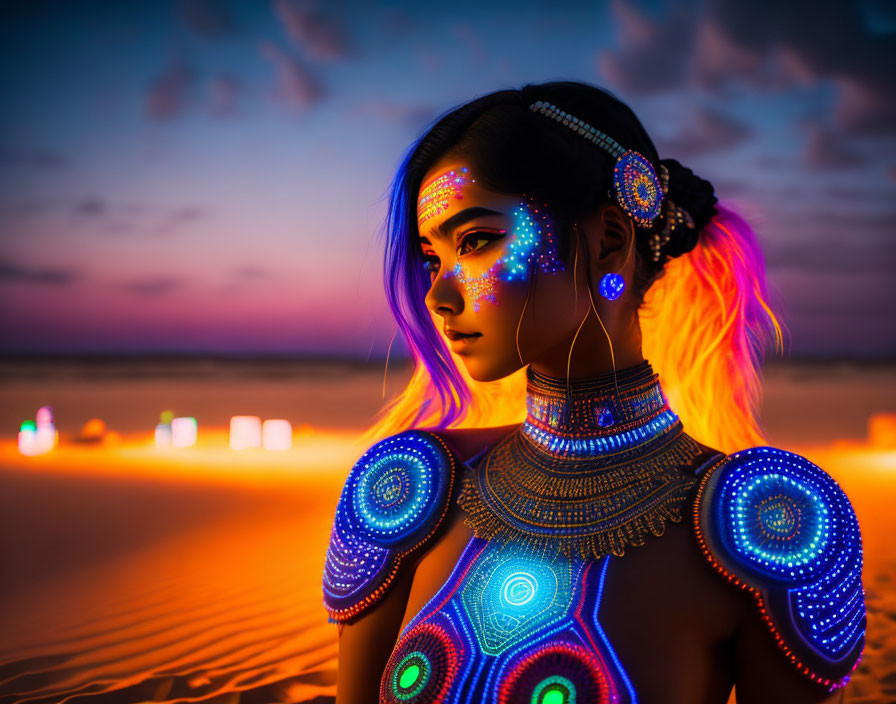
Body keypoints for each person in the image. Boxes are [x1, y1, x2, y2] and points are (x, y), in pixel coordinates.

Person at [321, 82, 866, 704]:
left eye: (476, 241)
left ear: (609, 238)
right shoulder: (404, 490)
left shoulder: (774, 524)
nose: (438, 296)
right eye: (431, 258)